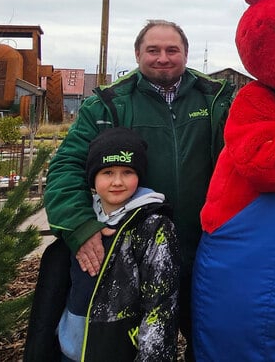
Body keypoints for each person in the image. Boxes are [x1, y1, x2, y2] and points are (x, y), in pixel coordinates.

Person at [44, 20, 233, 357]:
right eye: (153, 50)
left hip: (206, 249)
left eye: (172, 50)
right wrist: (78, 225)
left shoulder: (217, 99)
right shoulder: (108, 104)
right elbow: (67, 165)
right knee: (137, 346)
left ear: (185, 54)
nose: (163, 57)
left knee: (209, 342)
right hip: (131, 257)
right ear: (137, 54)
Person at [56, 127, 180, 361]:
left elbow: (160, 306)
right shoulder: (79, 221)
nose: (117, 182)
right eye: (107, 172)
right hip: (71, 347)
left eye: (127, 172)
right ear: (93, 177)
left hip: (117, 348)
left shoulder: (152, 225)